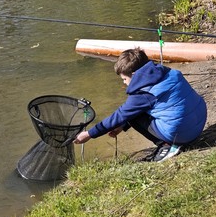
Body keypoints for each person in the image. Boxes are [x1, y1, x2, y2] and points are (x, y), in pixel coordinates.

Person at [73, 47, 207, 162]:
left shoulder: (143, 94)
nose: (124, 83)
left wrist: (89, 134)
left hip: (182, 133)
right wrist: (123, 126)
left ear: (134, 74)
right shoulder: (168, 71)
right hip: (199, 122)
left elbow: (120, 115)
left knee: (131, 115)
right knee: (136, 112)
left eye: (125, 79)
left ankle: (166, 145)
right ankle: (171, 141)